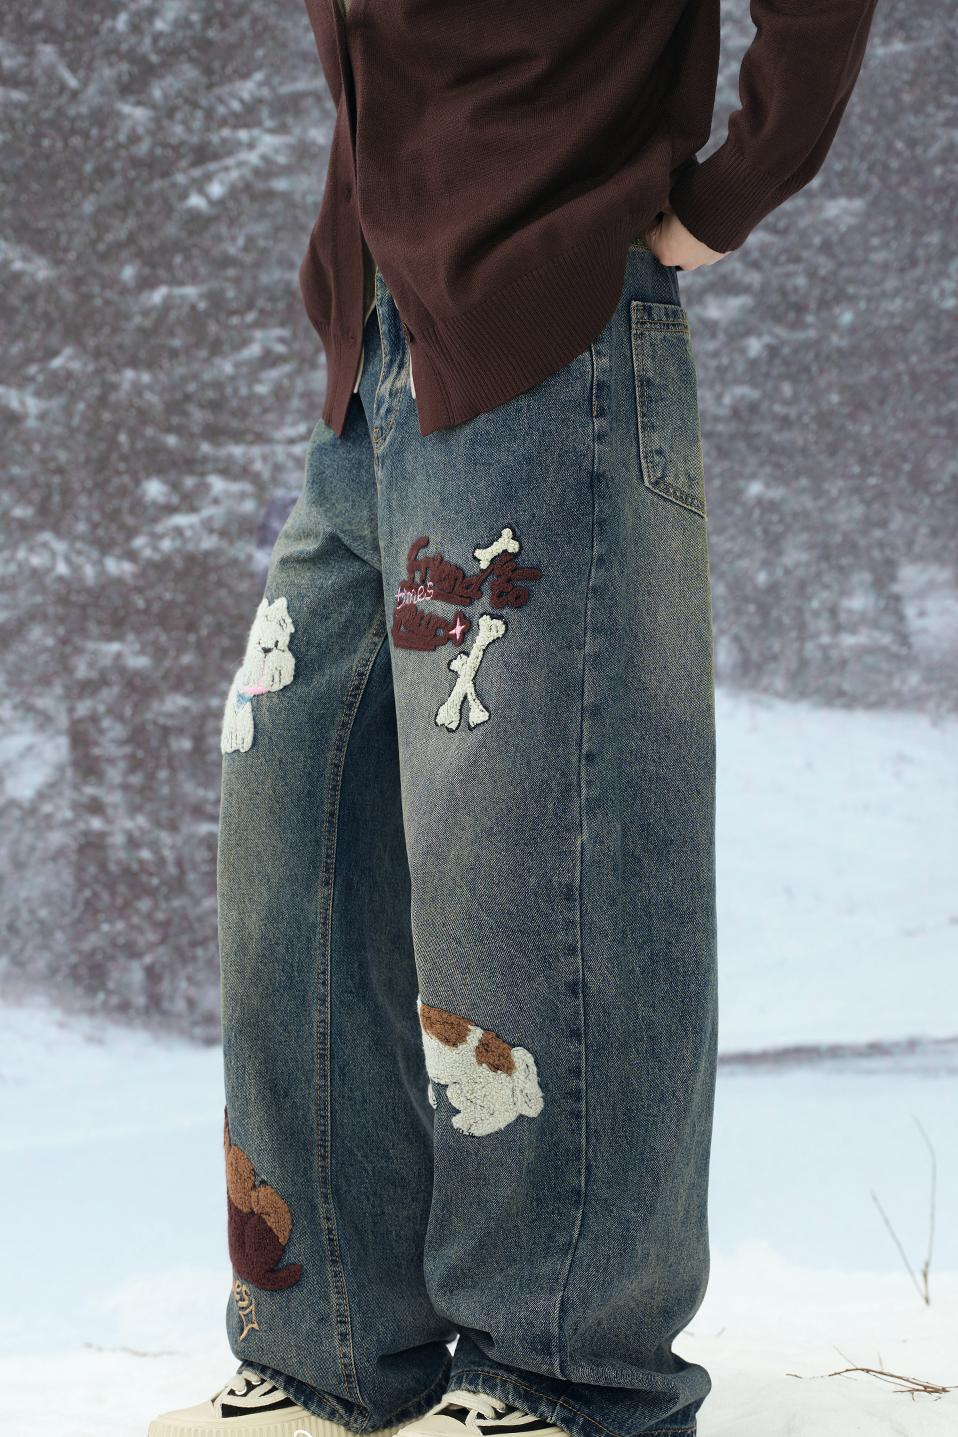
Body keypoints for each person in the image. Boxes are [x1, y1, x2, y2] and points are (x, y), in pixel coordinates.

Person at [148, 1, 878, 1433]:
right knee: (296, 827)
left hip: (550, 321)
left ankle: (563, 1374)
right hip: (377, 341)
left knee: (535, 868)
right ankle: (332, 1353)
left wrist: (735, 186)